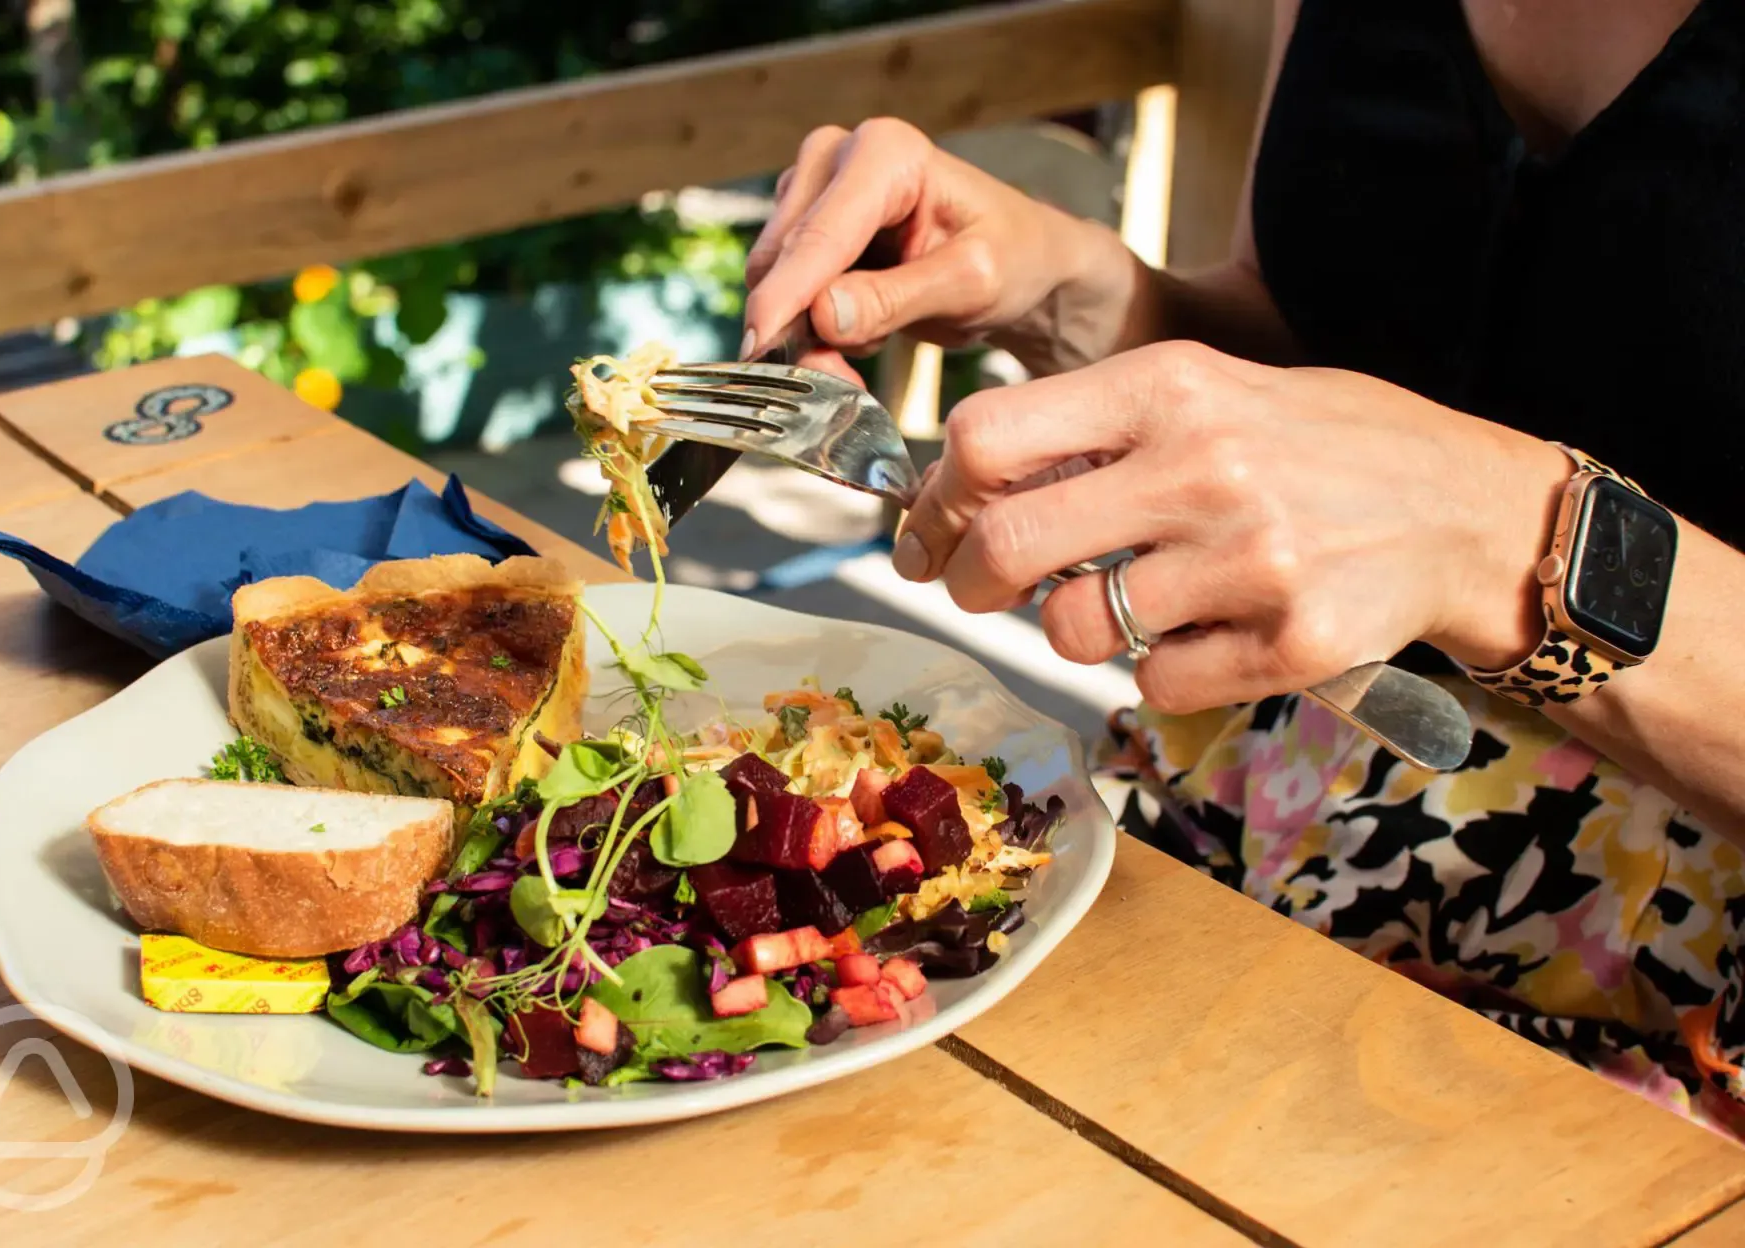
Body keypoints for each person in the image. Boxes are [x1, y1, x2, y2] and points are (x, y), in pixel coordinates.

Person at [740, 0, 1745, 1137]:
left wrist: (1507, 539)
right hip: (1246, 860)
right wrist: (1076, 293)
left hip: (1666, 1033)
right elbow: (1324, 342)